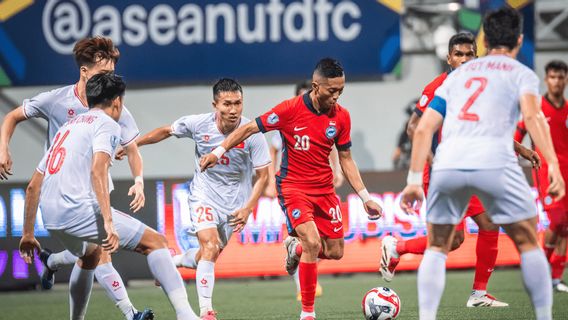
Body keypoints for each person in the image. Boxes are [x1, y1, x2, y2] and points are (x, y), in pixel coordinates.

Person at [400, 7, 565, 320]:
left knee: (438, 245)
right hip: (493, 162)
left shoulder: (456, 78)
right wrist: (553, 165)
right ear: (518, 40)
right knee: (529, 240)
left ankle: (429, 315)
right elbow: (533, 118)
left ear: (485, 40)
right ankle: (545, 316)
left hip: (448, 165)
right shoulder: (520, 74)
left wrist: (412, 180)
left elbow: (422, 128)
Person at [200, 58, 383, 320]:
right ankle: (307, 313)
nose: (337, 96)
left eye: (341, 90)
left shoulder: (341, 117)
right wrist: (219, 151)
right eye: (332, 90)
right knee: (311, 240)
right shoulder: (290, 110)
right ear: (315, 86)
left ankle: (294, 249)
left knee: (335, 252)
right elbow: (250, 128)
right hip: (293, 187)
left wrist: (365, 197)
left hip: (325, 191)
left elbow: (346, 158)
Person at [18, 72, 199, 320]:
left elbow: (32, 187)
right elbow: (98, 169)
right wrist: (108, 221)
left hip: (50, 216)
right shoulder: (107, 124)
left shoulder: (66, 129)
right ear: (117, 102)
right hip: (77, 210)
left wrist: (28, 234)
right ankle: (186, 315)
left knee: (90, 254)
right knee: (156, 242)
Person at [382, 32, 540, 307]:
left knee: (490, 222)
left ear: (476, 58)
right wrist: (429, 162)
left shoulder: (480, 86)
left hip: (472, 166)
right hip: (445, 172)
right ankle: (397, 247)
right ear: (449, 58)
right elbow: (413, 128)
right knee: (451, 240)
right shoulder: (438, 87)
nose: (464, 59)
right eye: (459, 54)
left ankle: (479, 294)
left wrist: (522, 149)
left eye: (469, 54)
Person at [0, 36, 149, 320]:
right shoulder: (56, 100)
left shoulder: (116, 106)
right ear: (84, 71)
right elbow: (12, 117)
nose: (111, 79)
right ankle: (131, 313)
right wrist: (3, 149)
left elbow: (132, 149)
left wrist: (138, 180)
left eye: (113, 73)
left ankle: (53, 260)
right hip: (61, 189)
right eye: (104, 73)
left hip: (96, 187)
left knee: (92, 253)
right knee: (100, 252)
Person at [136, 78, 271, 319]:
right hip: (203, 196)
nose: (233, 110)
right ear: (215, 105)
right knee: (209, 246)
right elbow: (167, 131)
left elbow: (263, 176)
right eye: (227, 104)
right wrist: (133, 145)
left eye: (238, 103)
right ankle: (206, 311)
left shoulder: (252, 133)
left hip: (234, 205)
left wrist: (249, 208)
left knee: (208, 254)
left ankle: (172, 262)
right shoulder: (199, 124)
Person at [266, 79, 341, 301]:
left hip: (319, 186)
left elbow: (332, 148)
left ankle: (296, 253)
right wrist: (271, 181)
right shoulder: (288, 119)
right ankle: (302, 288)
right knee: (305, 236)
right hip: (293, 186)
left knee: (319, 244)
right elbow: (273, 152)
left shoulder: (325, 119)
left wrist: (336, 171)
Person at [515, 60, 568, 292]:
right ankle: (541, 271)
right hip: (546, 172)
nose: (557, 81)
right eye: (553, 77)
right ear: (546, 79)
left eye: (561, 77)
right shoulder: (535, 108)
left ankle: (555, 277)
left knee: (567, 226)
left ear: (565, 80)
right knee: (557, 222)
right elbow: (519, 131)